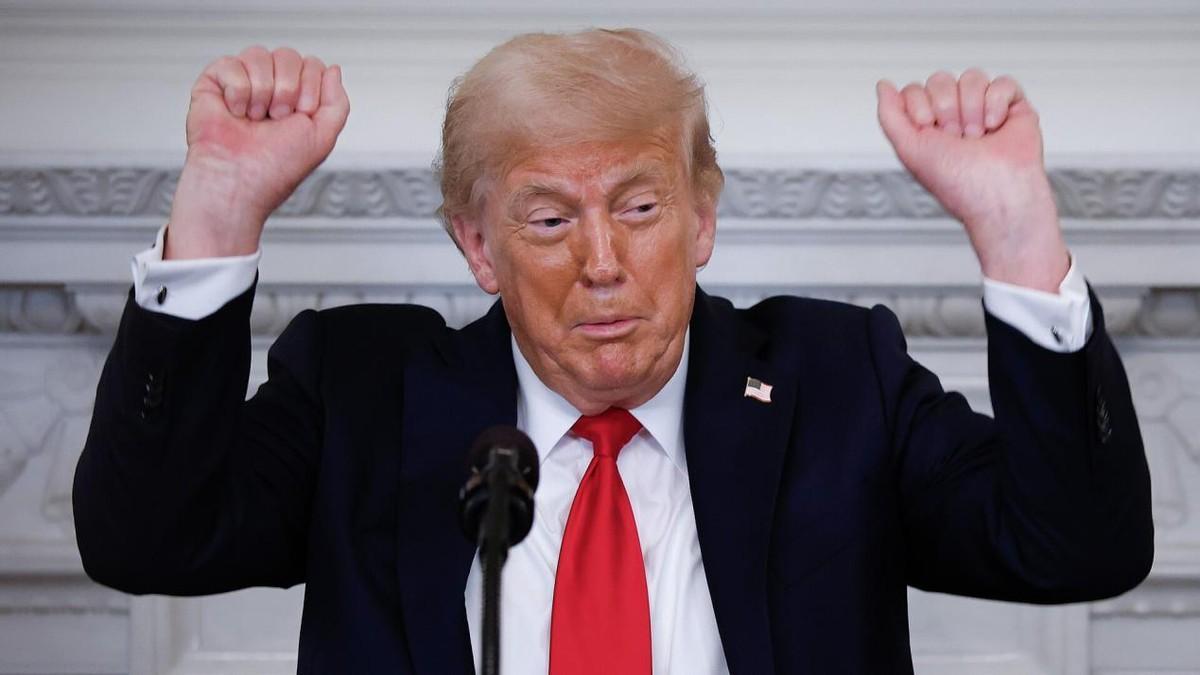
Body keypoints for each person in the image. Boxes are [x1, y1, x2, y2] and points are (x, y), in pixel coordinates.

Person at [73, 28, 1153, 674]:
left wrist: (1016, 231)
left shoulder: (837, 380)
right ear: (477, 246)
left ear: (702, 220)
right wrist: (219, 210)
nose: (603, 263)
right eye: (549, 220)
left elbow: (1078, 549)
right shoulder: (362, 392)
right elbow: (148, 541)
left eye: (640, 207)